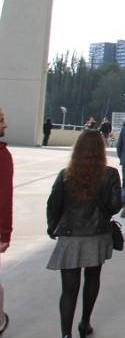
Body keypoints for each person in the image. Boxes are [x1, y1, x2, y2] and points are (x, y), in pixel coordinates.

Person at [46, 130, 122, 338]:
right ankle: (85, 322)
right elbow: (115, 206)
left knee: (68, 290)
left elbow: (54, 205)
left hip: (70, 235)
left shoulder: (65, 174)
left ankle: (65, 334)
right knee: (92, 278)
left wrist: (52, 227)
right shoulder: (111, 174)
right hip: (97, 233)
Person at [0, 109, 12, 336]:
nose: (6, 124)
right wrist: (4, 233)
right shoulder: (2, 155)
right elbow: (3, 196)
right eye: (1, 120)